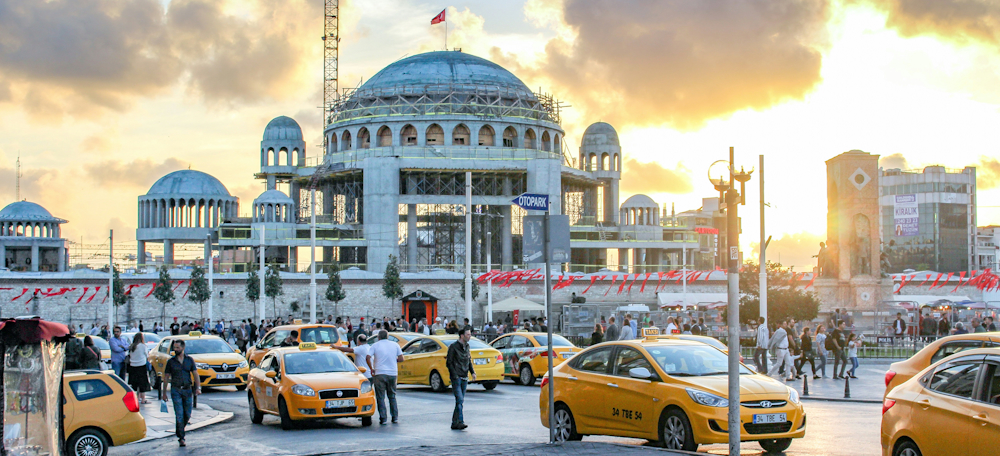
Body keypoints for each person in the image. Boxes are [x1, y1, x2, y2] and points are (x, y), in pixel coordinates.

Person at [162, 339, 199, 447]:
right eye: (174, 347)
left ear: (183, 348)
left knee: (187, 414)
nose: (175, 349)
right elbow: (166, 377)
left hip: (187, 389)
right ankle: (181, 437)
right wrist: (164, 393)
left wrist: (198, 387)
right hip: (176, 390)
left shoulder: (189, 360)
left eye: (177, 347)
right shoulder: (171, 362)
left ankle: (180, 430)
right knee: (179, 414)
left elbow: (195, 374)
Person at [369, 330, 404, 424]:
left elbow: (368, 357)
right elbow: (401, 358)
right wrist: (393, 360)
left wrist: (371, 368)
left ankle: (383, 418)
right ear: (387, 336)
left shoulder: (375, 345)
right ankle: (395, 417)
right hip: (392, 373)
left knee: (380, 397)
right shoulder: (395, 345)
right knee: (392, 396)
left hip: (379, 373)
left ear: (378, 337)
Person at [446, 327, 477, 430]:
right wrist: (454, 375)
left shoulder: (467, 346)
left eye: (470, 334)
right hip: (457, 377)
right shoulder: (453, 347)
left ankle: (454, 423)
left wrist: (472, 372)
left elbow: (468, 360)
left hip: (464, 377)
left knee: (460, 401)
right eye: (468, 335)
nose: (470, 336)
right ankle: (461, 422)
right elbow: (449, 363)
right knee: (460, 399)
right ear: (462, 336)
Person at [127, 333, 151, 404]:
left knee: (134, 383)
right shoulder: (143, 346)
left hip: (132, 366)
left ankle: (136, 398)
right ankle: (143, 399)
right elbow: (146, 355)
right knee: (142, 383)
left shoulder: (132, 346)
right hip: (141, 365)